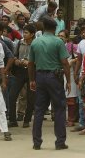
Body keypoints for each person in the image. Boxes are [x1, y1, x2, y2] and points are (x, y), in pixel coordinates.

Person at [28, 16, 71, 150]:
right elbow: (64, 62)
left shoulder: (35, 42)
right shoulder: (58, 42)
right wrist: (69, 80)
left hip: (40, 76)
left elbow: (30, 63)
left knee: (39, 109)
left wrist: (32, 80)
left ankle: (36, 142)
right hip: (55, 77)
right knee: (59, 108)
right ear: (55, 28)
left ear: (44, 28)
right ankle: (60, 142)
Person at [9, 24, 36, 127]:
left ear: (32, 34)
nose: (24, 34)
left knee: (31, 97)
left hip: (32, 72)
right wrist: (16, 61)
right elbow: (14, 55)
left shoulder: (36, 44)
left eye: (26, 33)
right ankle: (12, 120)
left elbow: (39, 59)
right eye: (23, 32)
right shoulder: (19, 43)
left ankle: (27, 120)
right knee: (12, 95)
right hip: (20, 71)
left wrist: (29, 62)